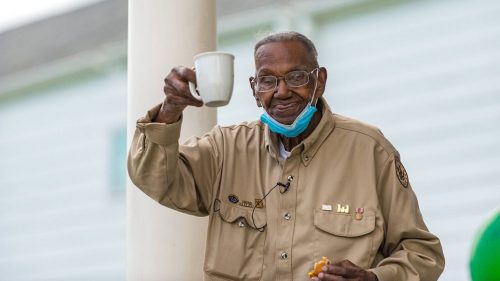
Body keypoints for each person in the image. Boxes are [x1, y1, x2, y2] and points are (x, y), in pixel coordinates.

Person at [128, 31, 445, 281]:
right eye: (268, 80)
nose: (281, 91)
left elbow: (422, 254)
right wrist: (170, 109)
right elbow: (155, 179)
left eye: (296, 77)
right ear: (254, 89)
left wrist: (373, 278)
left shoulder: (370, 150)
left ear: (319, 81)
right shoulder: (225, 149)